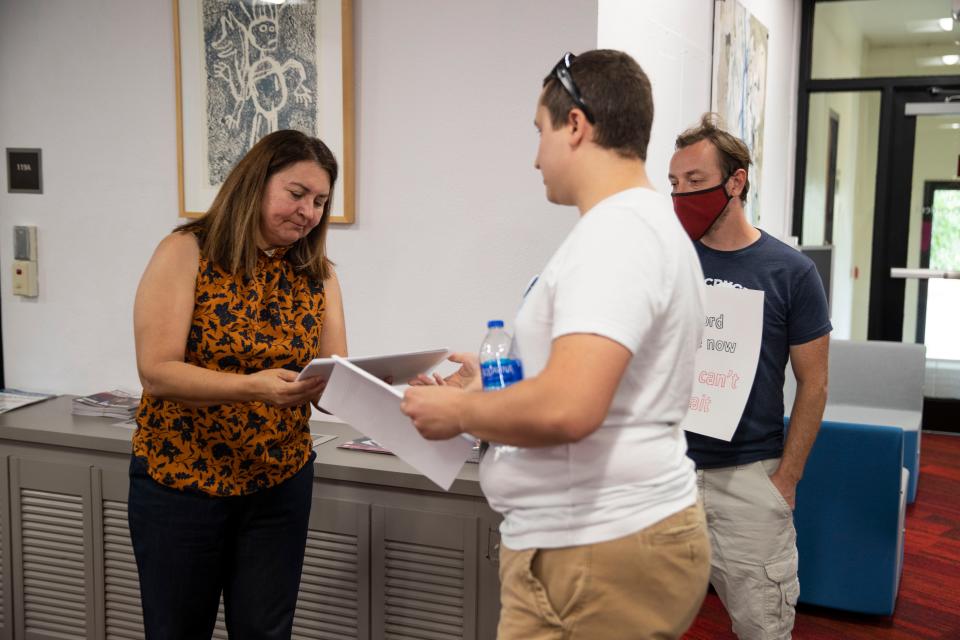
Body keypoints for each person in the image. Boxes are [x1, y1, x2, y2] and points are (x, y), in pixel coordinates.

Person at [401, 50, 710, 639]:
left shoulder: (617, 234)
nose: (535, 156)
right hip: (605, 537)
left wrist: (458, 411)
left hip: (593, 550)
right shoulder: (641, 226)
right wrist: (496, 388)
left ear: (576, 126)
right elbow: (603, 386)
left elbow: (571, 407)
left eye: (540, 131)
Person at [129, 129, 347, 639]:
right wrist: (254, 388)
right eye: (297, 194)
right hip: (182, 483)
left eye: (320, 201)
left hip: (279, 483)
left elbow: (334, 377)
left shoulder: (319, 274)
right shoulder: (187, 251)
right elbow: (157, 371)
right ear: (255, 183)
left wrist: (393, 384)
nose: (309, 212)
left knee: (266, 633)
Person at [669, 114, 831, 640]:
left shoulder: (791, 272)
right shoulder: (671, 262)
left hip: (749, 478)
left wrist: (786, 481)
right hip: (666, 474)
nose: (681, 194)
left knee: (762, 625)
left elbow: (815, 383)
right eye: (674, 183)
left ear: (735, 182)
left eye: (695, 181)